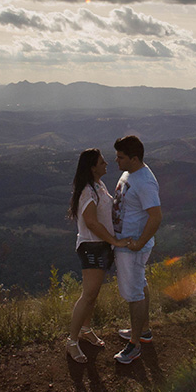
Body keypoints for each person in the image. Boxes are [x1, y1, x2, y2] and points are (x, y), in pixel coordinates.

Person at [64, 148, 133, 363]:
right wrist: (115, 241)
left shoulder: (98, 186)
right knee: (88, 295)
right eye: (102, 163)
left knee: (92, 295)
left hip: (100, 247)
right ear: (93, 167)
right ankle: (72, 341)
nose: (107, 165)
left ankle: (85, 330)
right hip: (92, 247)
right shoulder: (87, 191)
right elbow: (92, 223)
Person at [111, 135, 162, 364]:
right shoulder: (131, 173)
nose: (116, 160)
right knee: (140, 285)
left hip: (132, 248)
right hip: (128, 244)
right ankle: (143, 331)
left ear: (134, 158)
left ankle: (134, 345)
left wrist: (139, 243)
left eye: (120, 157)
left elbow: (156, 216)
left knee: (133, 294)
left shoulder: (144, 182)